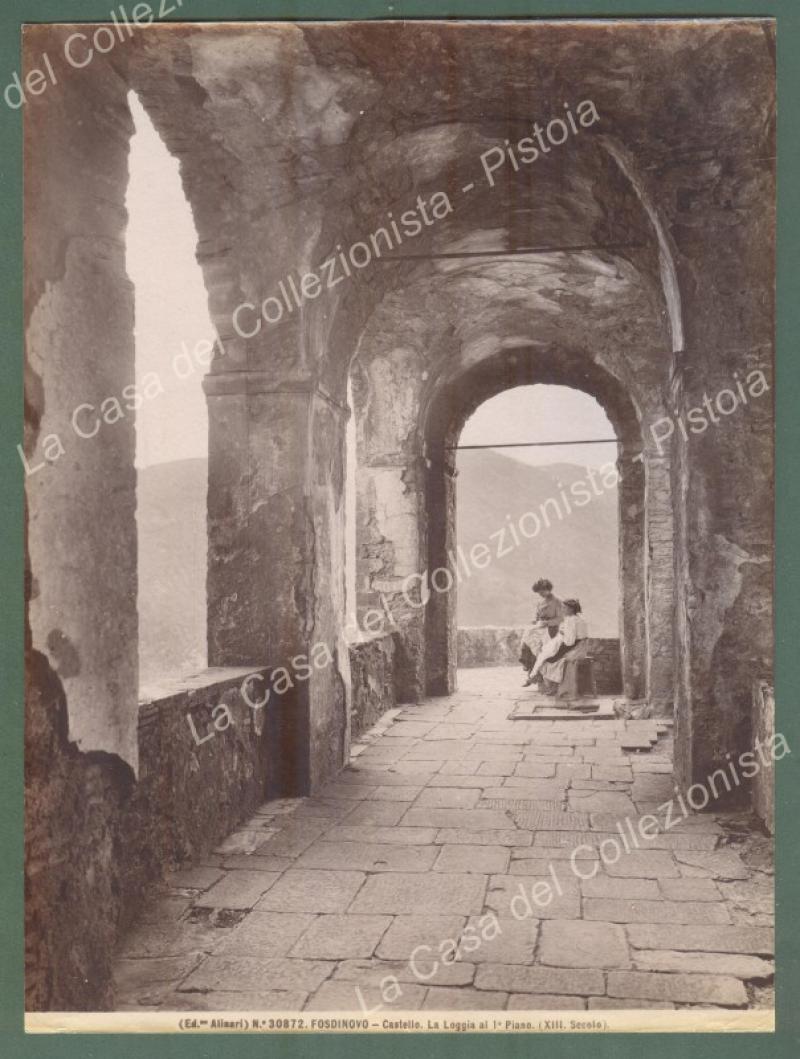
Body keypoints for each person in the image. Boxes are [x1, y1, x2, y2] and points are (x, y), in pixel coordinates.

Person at [528, 598, 590, 693]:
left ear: (571, 609)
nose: (562, 610)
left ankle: (547, 683)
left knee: (549, 660)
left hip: (576, 650)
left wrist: (562, 634)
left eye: (564, 608)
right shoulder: (579, 618)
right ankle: (548, 684)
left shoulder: (571, 620)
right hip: (582, 648)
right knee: (548, 656)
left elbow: (569, 642)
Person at [519, 578, 566, 687]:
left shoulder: (558, 601)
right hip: (541, 628)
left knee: (541, 650)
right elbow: (537, 616)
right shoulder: (540, 602)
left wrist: (547, 623)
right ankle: (530, 670)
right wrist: (536, 621)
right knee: (529, 640)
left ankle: (534, 676)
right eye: (538, 592)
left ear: (548, 589)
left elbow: (561, 619)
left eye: (542, 591)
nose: (540, 594)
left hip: (553, 629)